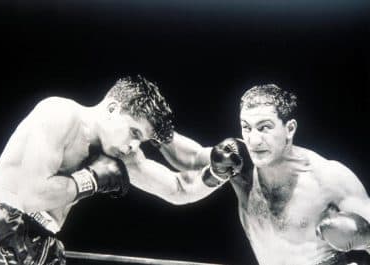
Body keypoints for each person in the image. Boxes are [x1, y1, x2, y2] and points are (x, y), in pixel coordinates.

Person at [0, 75, 217, 264]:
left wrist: (218, 173)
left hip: (44, 241)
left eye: (140, 141)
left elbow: (178, 189)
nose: (133, 146)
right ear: (112, 109)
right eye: (134, 133)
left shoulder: (120, 155)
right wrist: (91, 179)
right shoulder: (60, 113)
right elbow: (31, 196)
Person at [132, 84, 370, 265]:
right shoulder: (241, 162)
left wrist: (365, 238)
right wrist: (156, 129)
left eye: (265, 127)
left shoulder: (330, 178)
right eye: (246, 127)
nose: (254, 140)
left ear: (290, 129)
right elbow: (191, 159)